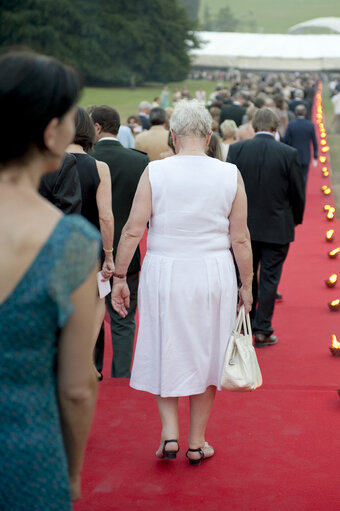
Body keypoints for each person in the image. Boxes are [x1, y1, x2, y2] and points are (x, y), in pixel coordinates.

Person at [111, 99, 253, 466]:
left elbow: (131, 230)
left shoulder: (155, 172)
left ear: (174, 136)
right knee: (209, 352)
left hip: (165, 270)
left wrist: (120, 275)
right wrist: (248, 284)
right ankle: (196, 440)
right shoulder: (229, 173)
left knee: (165, 345)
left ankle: (169, 433)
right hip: (213, 272)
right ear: (208, 137)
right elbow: (240, 238)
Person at [0, 51, 99, 509]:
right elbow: (77, 388)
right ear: (49, 131)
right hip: (25, 452)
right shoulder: (71, 242)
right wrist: (73, 472)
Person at [227, 108, 305, 347]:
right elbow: (297, 193)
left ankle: (244, 322)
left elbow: (227, 188)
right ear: (276, 127)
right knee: (270, 278)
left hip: (244, 225)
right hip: (276, 226)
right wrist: (295, 219)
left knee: (244, 276)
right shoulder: (288, 153)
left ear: (253, 125)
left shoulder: (238, 150)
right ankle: (261, 329)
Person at [90, 105, 149, 378]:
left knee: (91, 315)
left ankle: (94, 369)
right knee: (123, 317)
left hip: (88, 250)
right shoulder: (139, 161)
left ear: (98, 127)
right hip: (127, 252)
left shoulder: (84, 159)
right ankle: (123, 374)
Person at [67, 106, 115, 378]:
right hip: (90, 247)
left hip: (55, 244)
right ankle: (84, 359)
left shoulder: (48, 162)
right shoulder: (99, 167)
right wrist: (109, 255)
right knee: (98, 299)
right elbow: (105, 217)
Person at [282, 104, 318, 185]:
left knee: (294, 176)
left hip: (294, 154)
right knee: (304, 176)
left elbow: (286, 140)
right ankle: (302, 194)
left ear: (295, 113)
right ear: (305, 113)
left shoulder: (291, 125)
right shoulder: (310, 125)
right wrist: (315, 155)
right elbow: (314, 141)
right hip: (306, 154)